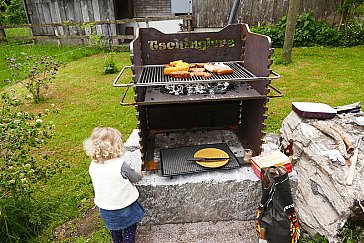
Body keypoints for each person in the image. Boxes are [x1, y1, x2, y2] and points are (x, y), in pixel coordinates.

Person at [84, 127, 144, 243]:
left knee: (115, 232)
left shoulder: (93, 166)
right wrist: (140, 174)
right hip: (125, 206)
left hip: (106, 208)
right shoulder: (120, 165)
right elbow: (134, 177)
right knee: (129, 230)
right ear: (116, 147)